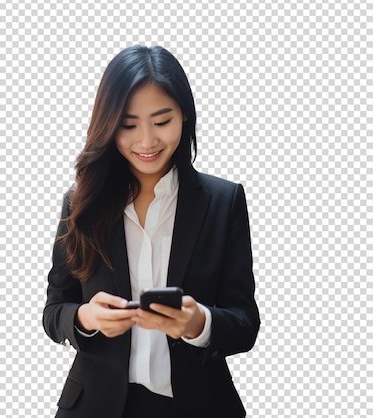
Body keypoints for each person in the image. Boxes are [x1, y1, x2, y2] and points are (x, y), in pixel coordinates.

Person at [42, 45, 260, 418]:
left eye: (162, 122)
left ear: (185, 118)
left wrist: (199, 323)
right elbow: (54, 311)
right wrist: (86, 319)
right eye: (128, 125)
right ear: (108, 124)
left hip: (197, 405)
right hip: (95, 405)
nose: (146, 141)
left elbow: (245, 322)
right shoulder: (82, 203)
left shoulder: (224, 201)